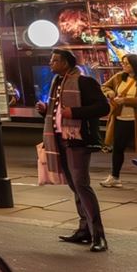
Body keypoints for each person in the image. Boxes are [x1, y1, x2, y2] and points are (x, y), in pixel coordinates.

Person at [44, 47, 111, 252]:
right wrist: (44, 111)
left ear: (66, 63)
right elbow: (57, 113)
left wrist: (74, 112)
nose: (51, 63)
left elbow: (103, 108)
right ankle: (84, 230)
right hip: (60, 139)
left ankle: (99, 235)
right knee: (74, 185)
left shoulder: (84, 82)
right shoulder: (57, 83)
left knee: (81, 184)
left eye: (54, 61)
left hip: (77, 139)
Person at [100, 55, 137, 187]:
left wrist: (126, 100)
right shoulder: (119, 77)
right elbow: (104, 86)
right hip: (120, 118)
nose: (123, 65)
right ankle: (115, 176)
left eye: (127, 63)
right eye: (123, 63)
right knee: (118, 148)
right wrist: (109, 93)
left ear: (135, 65)